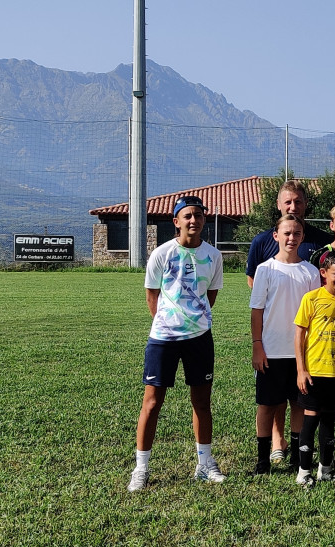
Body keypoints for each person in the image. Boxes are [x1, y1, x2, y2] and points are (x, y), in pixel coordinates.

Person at [128, 196, 225, 492]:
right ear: (176, 221)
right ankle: (141, 468)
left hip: (199, 338)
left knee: (202, 403)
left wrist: (193, 320)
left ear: (204, 220)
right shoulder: (161, 253)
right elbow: (151, 296)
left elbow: (211, 296)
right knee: (152, 403)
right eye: (187, 216)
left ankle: (204, 464)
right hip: (163, 339)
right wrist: (169, 323)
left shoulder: (214, 256)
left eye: (198, 215)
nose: (193, 220)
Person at [249, 214, 320, 474]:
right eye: (286, 233)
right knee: (267, 405)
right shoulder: (265, 269)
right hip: (271, 351)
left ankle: (296, 457)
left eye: (297, 234)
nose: (292, 238)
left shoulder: (310, 272)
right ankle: (262, 460)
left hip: (302, 354)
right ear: (276, 236)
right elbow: (257, 311)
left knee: (299, 404)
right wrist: (258, 345)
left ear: (303, 237)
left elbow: (314, 314)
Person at [293, 250, 335, 486]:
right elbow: (299, 335)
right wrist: (301, 370)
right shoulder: (311, 299)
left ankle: (325, 468)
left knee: (329, 422)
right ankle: (303, 471)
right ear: (324, 273)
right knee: (310, 420)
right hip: (314, 372)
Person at [245, 180, 332, 288]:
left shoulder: (324, 241)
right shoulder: (261, 241)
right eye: (288, 202)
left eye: (298, 202)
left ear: (306, 203)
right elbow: (252, 279)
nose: (293, 207)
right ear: (278, 204)